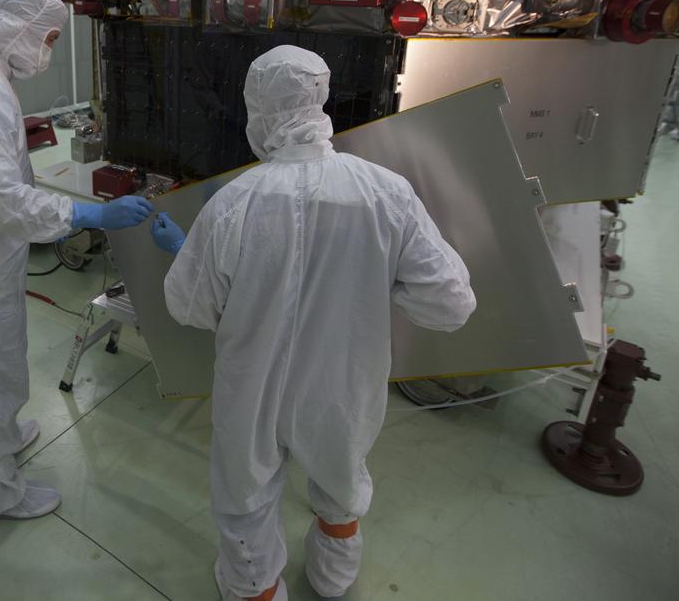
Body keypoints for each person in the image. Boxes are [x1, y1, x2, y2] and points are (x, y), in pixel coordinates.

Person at [149, 45, 476, 600]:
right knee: (341, 476)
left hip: (251, 386)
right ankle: (333, 577)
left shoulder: (234, 203)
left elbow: (189, 307)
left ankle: (255, 588)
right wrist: (381, 279)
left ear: (258, 109)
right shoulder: (385, 192)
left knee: (245, 493)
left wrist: (189, 251)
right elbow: (450, 304)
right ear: (319, 99)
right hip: (344, 379)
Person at [0, 0, 153, 519]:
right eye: (47, 38)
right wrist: (85, 215)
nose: (48, 51)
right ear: (21, 28)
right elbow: (4, 201)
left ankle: (3, 432)